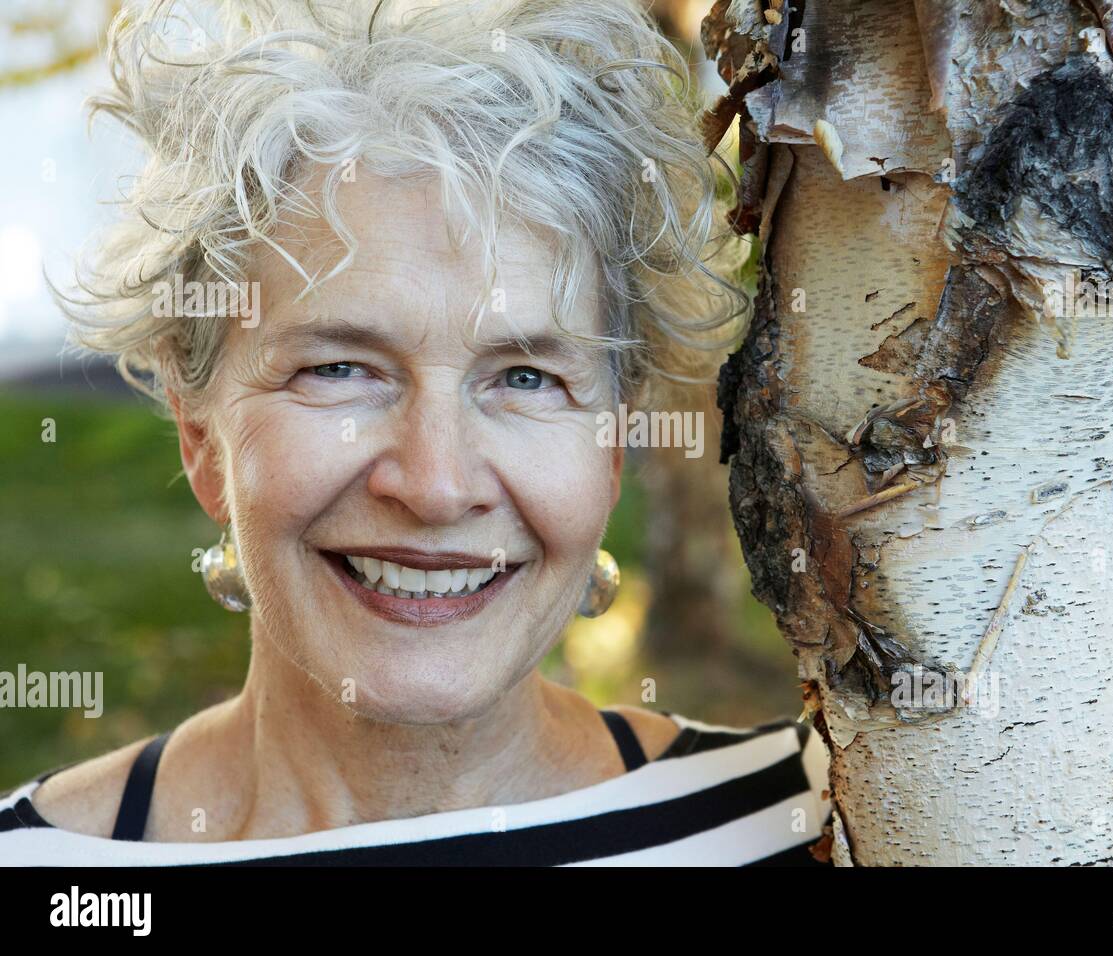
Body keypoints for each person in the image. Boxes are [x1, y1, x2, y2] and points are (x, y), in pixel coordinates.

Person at [0, 0, 831, 865]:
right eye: (340, 370)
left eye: (525, 379)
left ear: (613, 447)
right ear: (200, 436)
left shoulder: (808, 830)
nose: (436, 487)